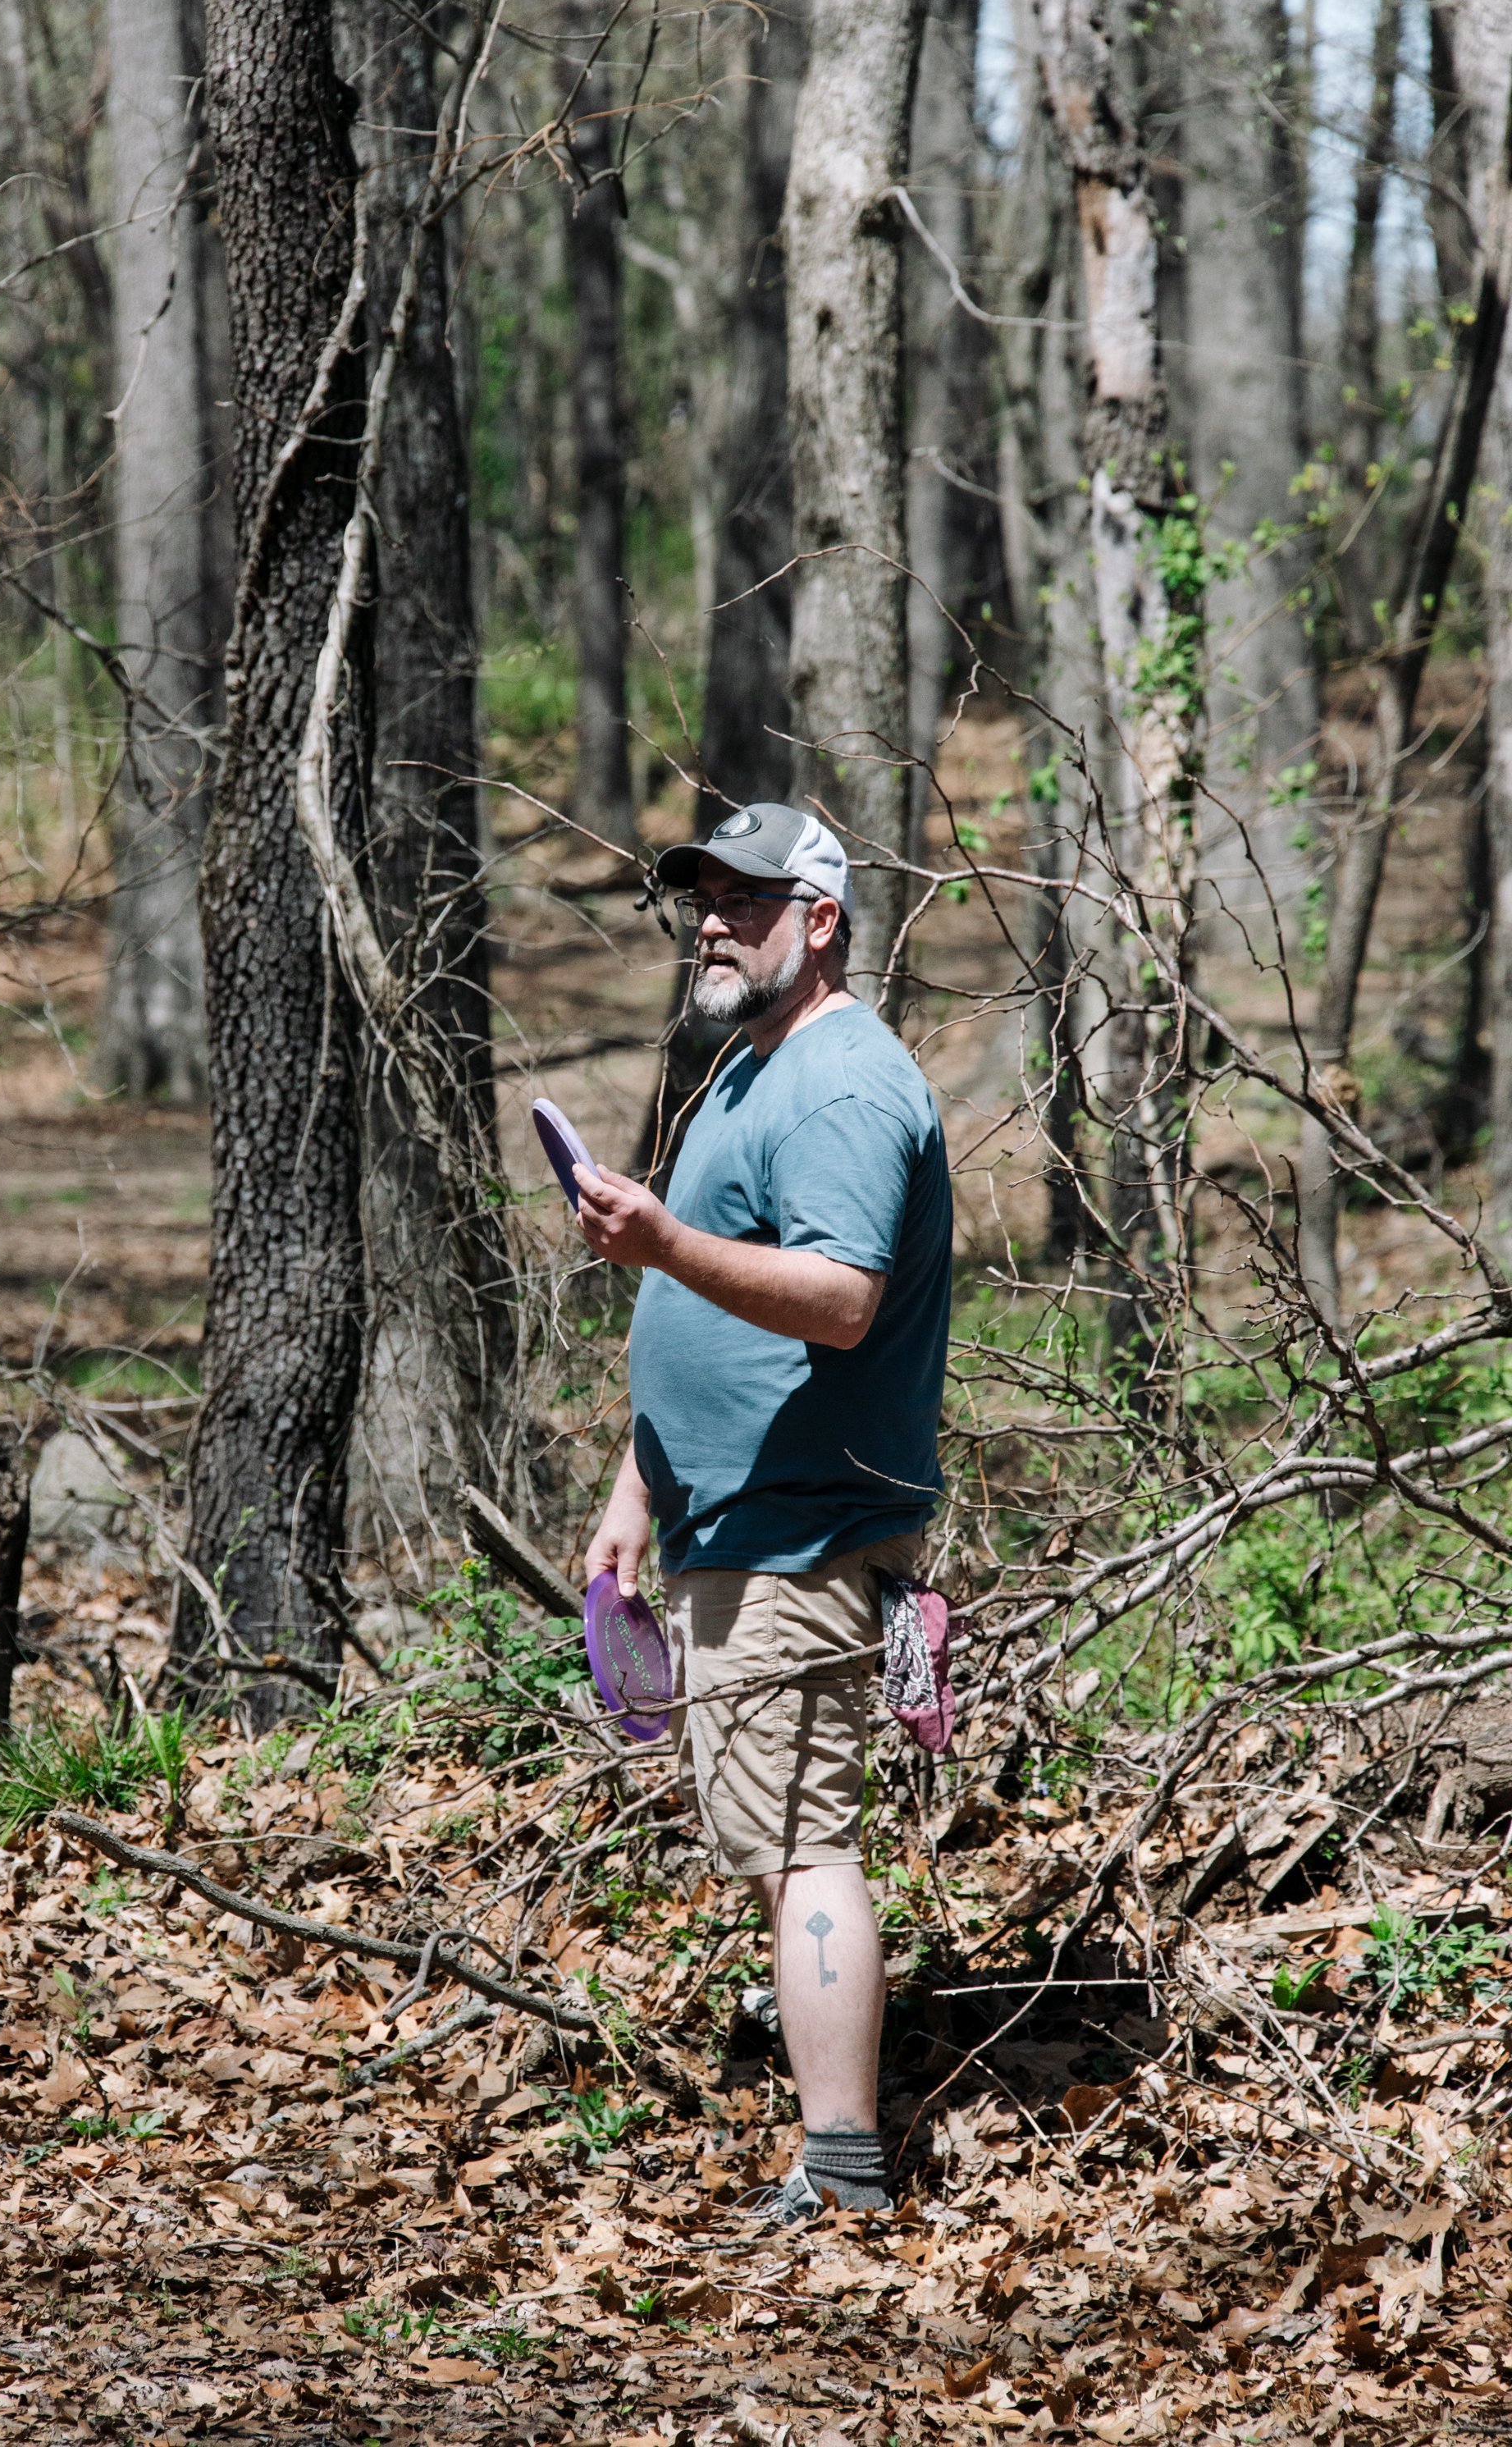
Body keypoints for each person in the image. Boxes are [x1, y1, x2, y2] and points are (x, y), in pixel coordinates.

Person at [576, 802, 953, 2222]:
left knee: (804, 1840)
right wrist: (636, 1490)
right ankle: (834, 2144)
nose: (714, 919)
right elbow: (701, 1315)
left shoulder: (844, 1087)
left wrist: (661, 1239)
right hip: (729, 1522)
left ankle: (845, 2169)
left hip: (802, 1532)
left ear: (824, 919)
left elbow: (845, 1304)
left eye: (748, 896)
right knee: (779, 1833)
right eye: (703, 896)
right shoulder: (748, 1073)